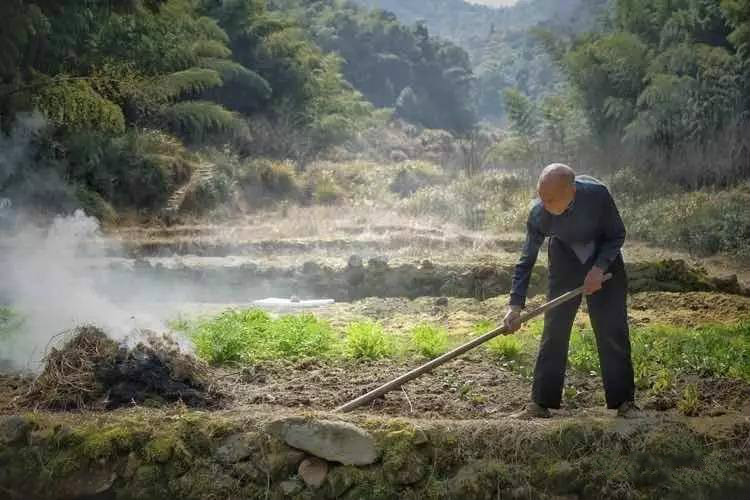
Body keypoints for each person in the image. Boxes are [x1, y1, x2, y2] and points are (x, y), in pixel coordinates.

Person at [504, 163, 639, 419]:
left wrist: (598, 269)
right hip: (565, 257)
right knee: (554, 328)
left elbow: (617, 234)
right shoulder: (539, 213)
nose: (544, 204)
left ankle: (624, 402)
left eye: (551, 199)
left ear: (572, 192)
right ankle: (540, 402)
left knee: (612, 328)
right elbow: (526, 259)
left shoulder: (597, 195)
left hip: (604, 256)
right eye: (541, 197)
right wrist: (515, 305)